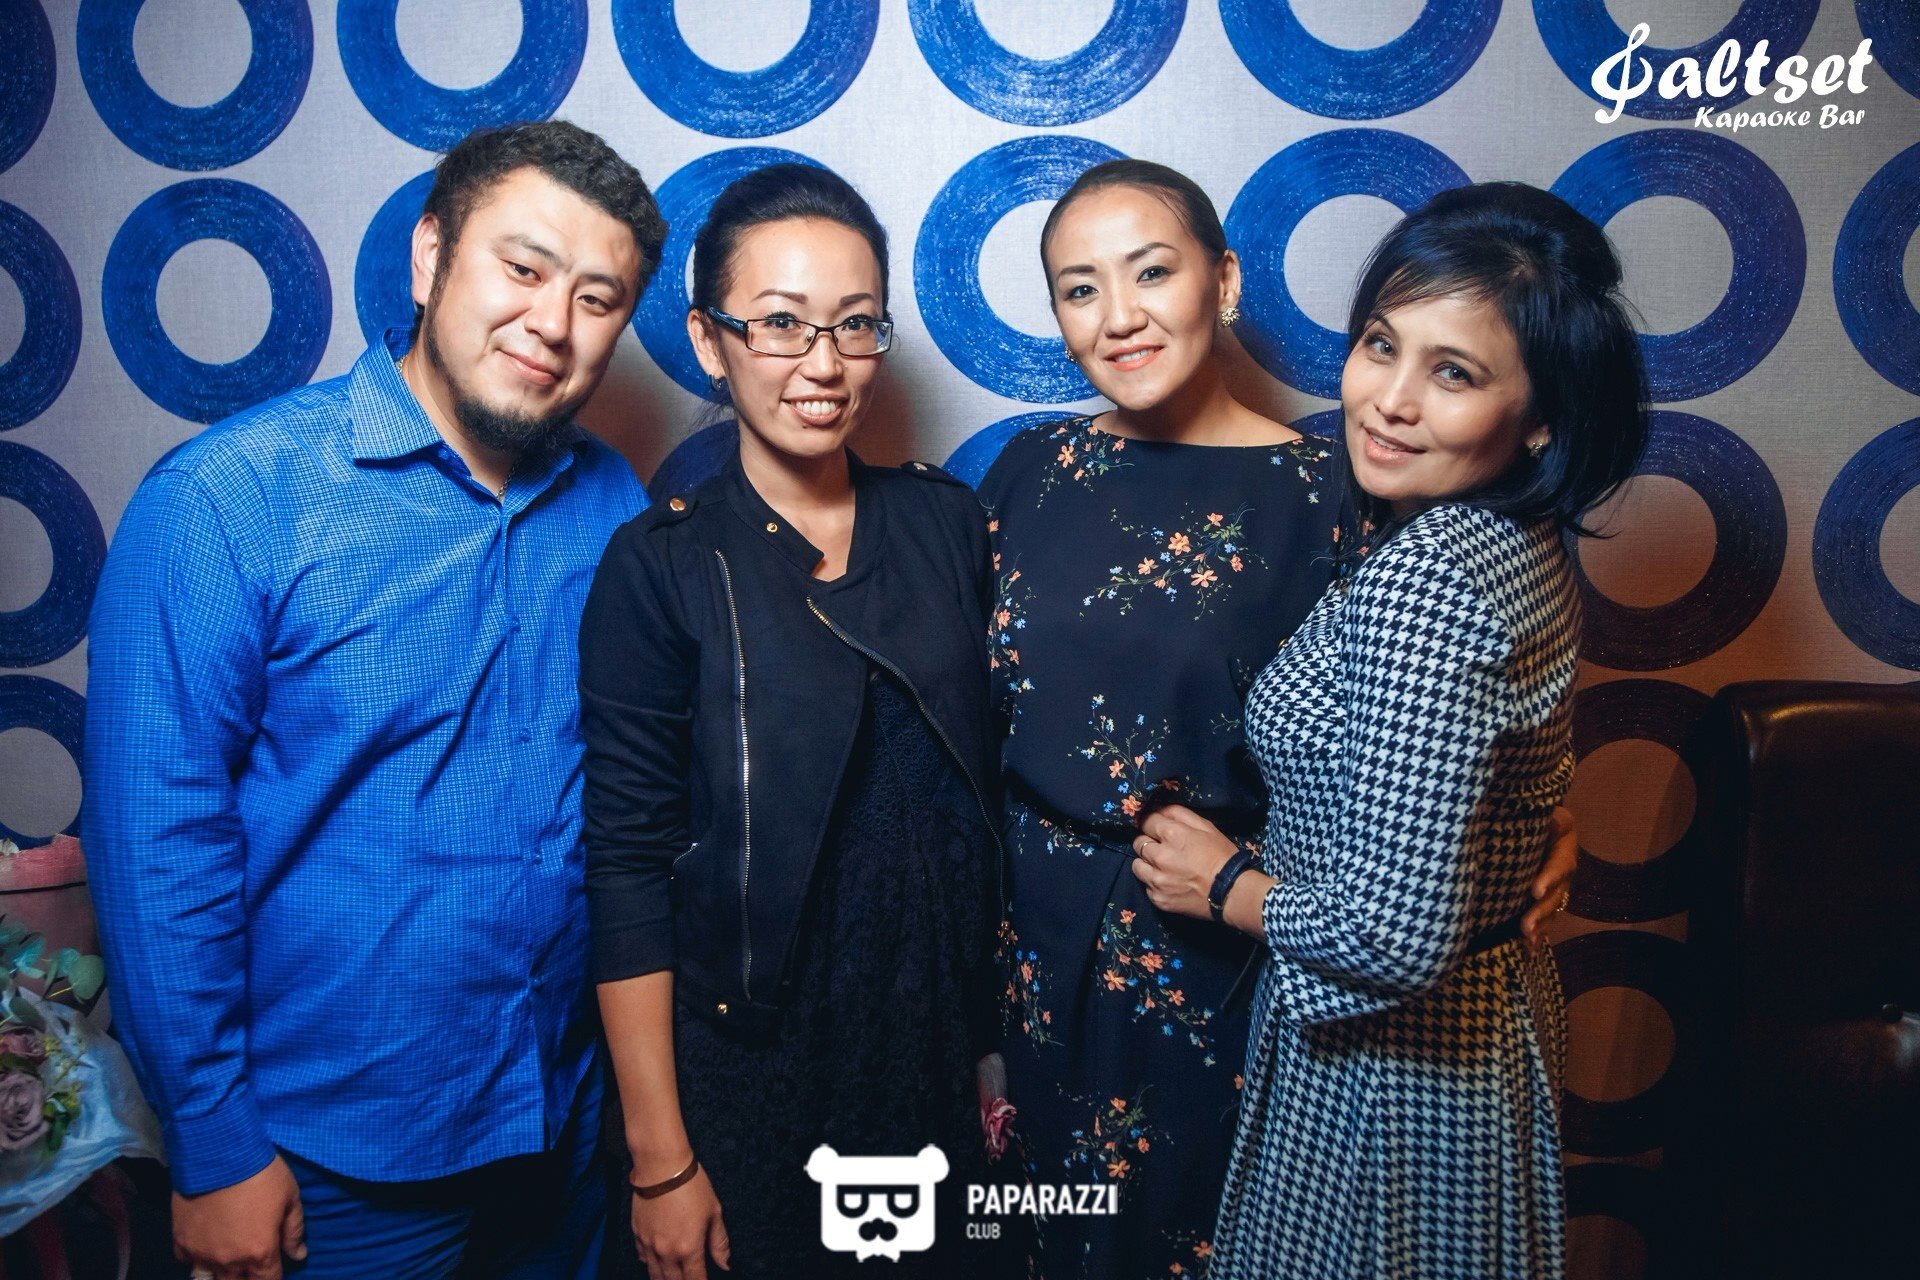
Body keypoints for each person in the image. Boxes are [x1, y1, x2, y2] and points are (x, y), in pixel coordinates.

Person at [83, 120, 667, 1280]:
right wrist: (212, 1142)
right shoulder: (226, 499)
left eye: (597, 298)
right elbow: (156, 840)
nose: (553, 322)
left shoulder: (611, 502)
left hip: (558, 1126)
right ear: (429, 256)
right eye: (523, 267)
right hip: (325, 1165)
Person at [975, 160, 1581, 1276]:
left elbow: (1439, 721)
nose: (1119, 316)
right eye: (1079, 288)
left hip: (1226, 962)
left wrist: (1534, 814)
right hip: (1035, 939)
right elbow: (957, 716)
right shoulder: (1028, 468)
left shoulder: (1346, 489)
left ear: (1224, 281)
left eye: (1151, 272)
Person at [1130, 181, 1649, 1278]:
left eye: (1453, 372)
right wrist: (1533, 823)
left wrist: (1224, 885)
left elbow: (1392, 936)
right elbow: (1498, 751)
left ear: (1540, 415)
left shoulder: (1434, 576)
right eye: (1381, 345)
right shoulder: (1512, 535)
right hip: (1477, 1028)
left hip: (1398, 1064)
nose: (1390, 401)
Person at [580, 163, 1003, 1280]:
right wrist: (660, 1157)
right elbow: (625, 867)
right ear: (709, 341)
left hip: (933, 1049)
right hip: (752, 1062)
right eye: (779, 323)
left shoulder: (947, 524)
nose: (824, 362)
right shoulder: (661, 564)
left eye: (855, 323)